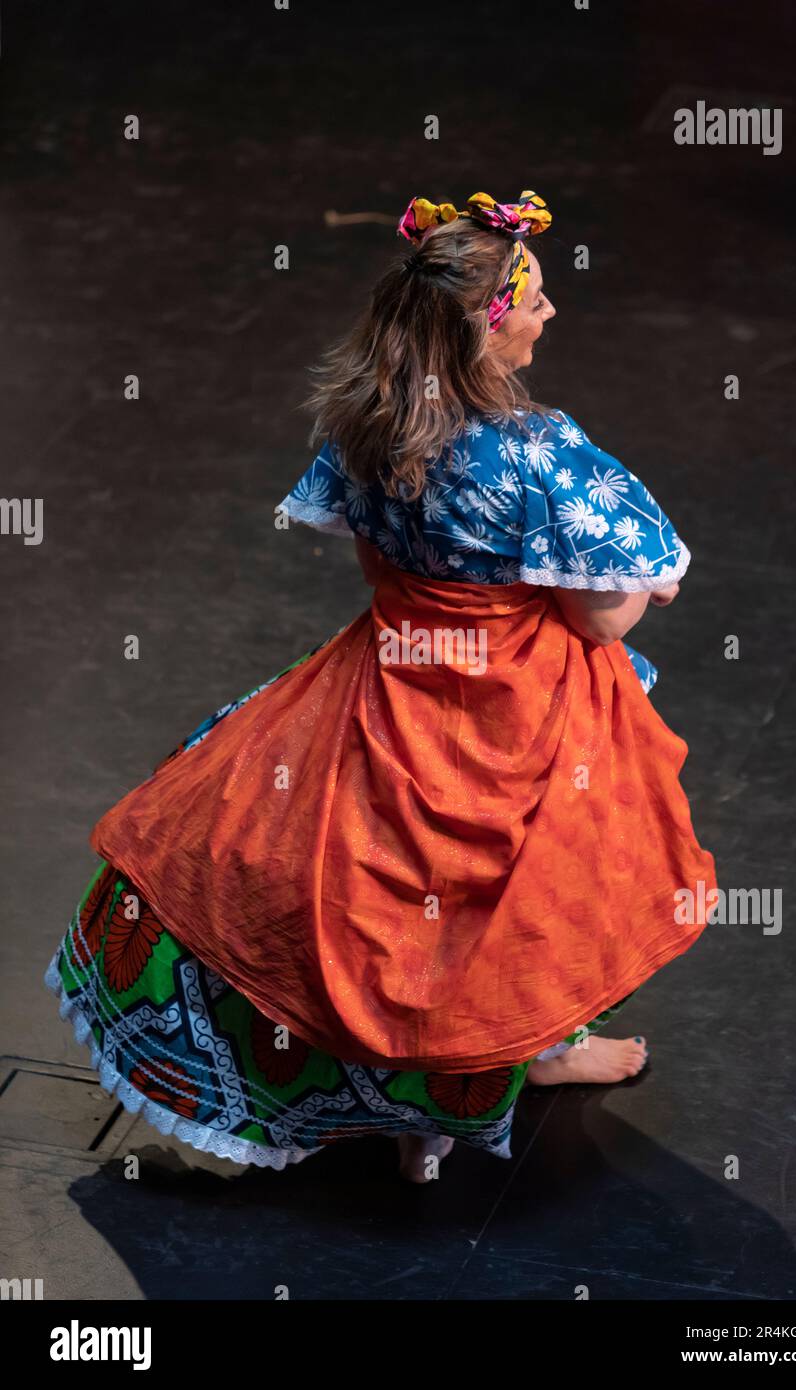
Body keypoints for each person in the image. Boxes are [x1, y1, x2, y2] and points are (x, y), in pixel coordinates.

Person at [44, 190, 717, 1184]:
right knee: (525, 892)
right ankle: (514, 1060)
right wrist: (637, 591)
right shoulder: (536, 454)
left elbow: (376, 551)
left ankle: (419, 1118)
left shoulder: (367, 421)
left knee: (386, 896)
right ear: (487, 326)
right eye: (532, 301)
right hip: (513, 707)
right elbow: (596, 616)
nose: (548, 315)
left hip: (392, 679)